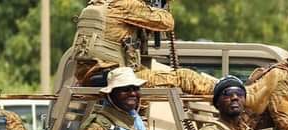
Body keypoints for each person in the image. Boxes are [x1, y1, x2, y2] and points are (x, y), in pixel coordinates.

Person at [71, 0, 215, 94]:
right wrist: (158, 8)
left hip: (89, 75)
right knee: (184, 77)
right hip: (115, 76)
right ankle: (222, 89)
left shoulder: (96, 5)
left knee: (143, 95)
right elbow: (166, 22)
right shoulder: (125, 4)